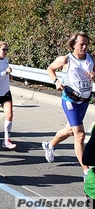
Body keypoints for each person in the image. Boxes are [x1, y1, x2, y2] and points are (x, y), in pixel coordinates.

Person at [42, 31, 94, 179]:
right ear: (73, 45)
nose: (84, 47)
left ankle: (50, 145)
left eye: (86, 44)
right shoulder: (66, 59)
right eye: (81, 44)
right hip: (70, 100)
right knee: (80, 135)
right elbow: (50, 69)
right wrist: (57, 81)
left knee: (70, 131)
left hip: (84, 101)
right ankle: (86, 170)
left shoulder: (91, 59)